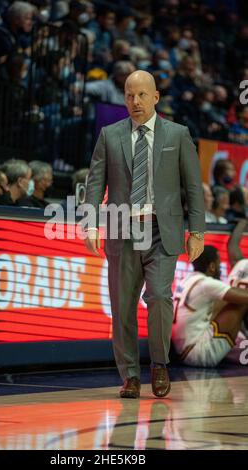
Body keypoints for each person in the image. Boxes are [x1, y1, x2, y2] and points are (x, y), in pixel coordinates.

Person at [84, 70, 205, 398]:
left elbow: (193, 187)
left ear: (155, 97)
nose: (134, 101)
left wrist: (197, 231)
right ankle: (130, 375)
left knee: (160, 298)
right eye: (129, 95)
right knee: (122, 306)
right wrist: (91, 224)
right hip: (121, 229)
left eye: (141, 95)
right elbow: (95, 184)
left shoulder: (178, 134)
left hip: (160, 230)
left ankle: (160, 364)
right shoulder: (110, 135)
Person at [172, 244, 248, 367]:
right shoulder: (206, 284)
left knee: (224, 303)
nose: (220, 268)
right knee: (240, 304)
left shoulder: (187, 280)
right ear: (212, 266)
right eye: (219, 264)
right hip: (197, 353)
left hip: (182, 351)